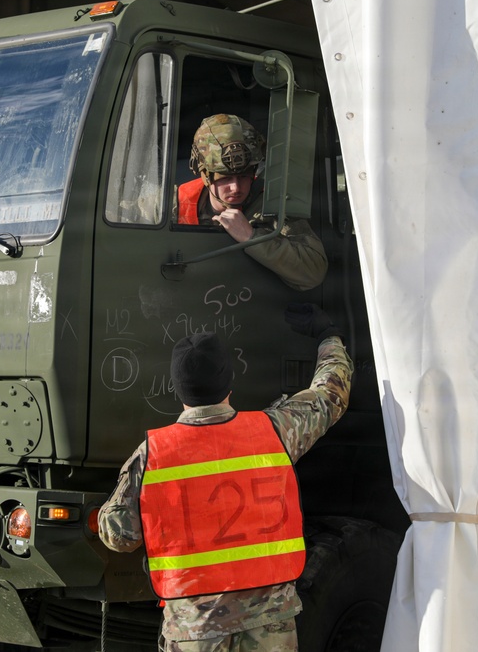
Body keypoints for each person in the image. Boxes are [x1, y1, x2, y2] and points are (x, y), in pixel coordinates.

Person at [98, 303, 353, 651]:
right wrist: (328, 336)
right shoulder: (274, 432)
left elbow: (119, 535)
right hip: (270, 624)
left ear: (177, 388)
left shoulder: (152, 455)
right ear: (229, 382)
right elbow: (330, 394)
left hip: (195, 630)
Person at [177, 114, 328, 292]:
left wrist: (252, 238)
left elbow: (314, 272)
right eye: (225, 178)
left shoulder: (272, 207)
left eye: (244, 176)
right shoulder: (176, 202)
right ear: (206, 176)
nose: (235, 187)